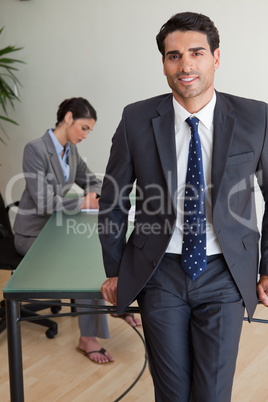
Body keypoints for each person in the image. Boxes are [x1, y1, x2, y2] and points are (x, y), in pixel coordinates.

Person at [98, 12, 268, 401]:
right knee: (172, 394)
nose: (186, 65)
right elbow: (113, 199)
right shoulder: (136, 118)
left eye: (197, 53)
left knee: (211, 394)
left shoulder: (255, 116)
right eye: (174, 56)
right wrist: (114, 268)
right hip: (160, 274)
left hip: (225, 273)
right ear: (163, 64)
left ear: (217, 58)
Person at [13, 97, 140, 365]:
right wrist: (82, 202)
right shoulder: (35, 150)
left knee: (100, 245)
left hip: (56, 228)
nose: (85, 135)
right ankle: (88, 338)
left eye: (89, 131)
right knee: (83, 262)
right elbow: (44, 202)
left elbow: (91, 178)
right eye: (84, 128)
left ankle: (117, 301)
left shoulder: (70, 151)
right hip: (33, 234)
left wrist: (94, 192)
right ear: (68, 118)